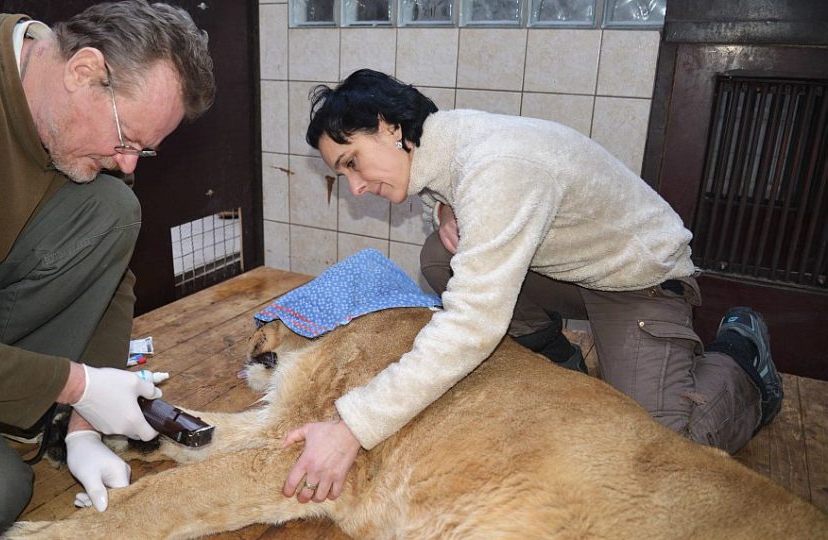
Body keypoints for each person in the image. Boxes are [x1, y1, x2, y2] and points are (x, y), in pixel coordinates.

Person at [280, 69, 783, 505]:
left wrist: (353, 427)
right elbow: (465, 192)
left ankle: (743, 360)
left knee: (665, 449)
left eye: (351, 162)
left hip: (641, 282)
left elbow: (473, 323)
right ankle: (562, 368)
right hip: (572, 270)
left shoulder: (498, 166)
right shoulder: (443, 144)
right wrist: (443, 208)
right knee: (442, 254)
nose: (355, 187)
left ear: (389, 128)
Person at [0, 1, 214, 537]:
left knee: (111, 208)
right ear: (83, 72)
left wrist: (84, 427)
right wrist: (73, 384)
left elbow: (112, 269)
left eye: (141, 152)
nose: (127, 162)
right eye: (127, 141)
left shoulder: (59, 113)